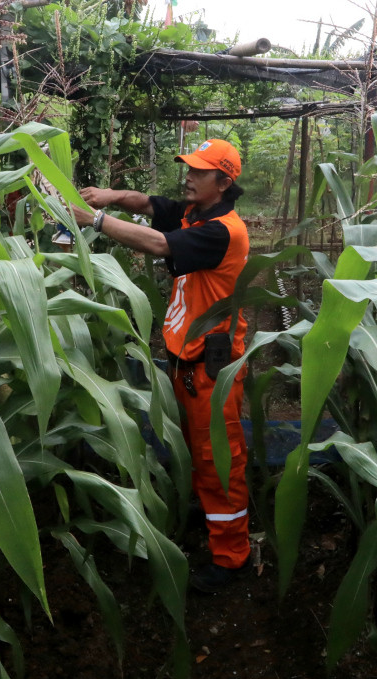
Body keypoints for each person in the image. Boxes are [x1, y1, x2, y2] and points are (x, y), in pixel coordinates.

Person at [71, 139, 251, 593]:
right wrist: (108, 196)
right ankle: (212, 513)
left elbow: (156, 243)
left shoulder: (223, 231)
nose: (188, 176)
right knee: (196, 447)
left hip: (214, 366)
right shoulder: (196, 212)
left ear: (224, 181)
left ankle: (232, 557)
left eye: (199, 171)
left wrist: (94, 219)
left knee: (218, 459)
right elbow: (150, 205)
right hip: (187, 357)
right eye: (188, 167)